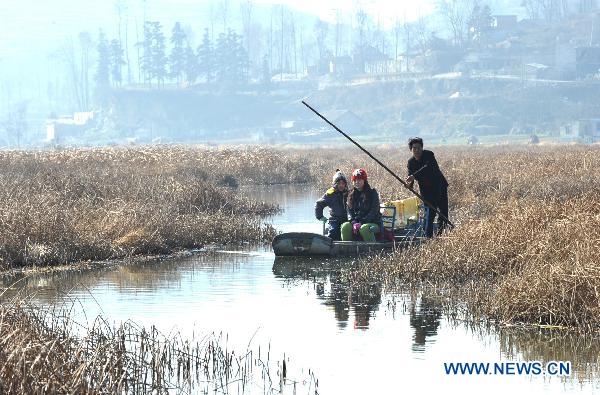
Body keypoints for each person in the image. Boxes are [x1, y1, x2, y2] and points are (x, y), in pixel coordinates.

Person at [405, 137, 449, 238]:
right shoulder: (411, 162)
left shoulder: (429, 155)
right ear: (411, 149)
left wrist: (414, 176)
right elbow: (410, 175)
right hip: (426, 191)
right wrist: (409, 185)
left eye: (419, 148)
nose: (417, 150)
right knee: (429, 213)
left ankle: (441, 234)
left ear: (422, 148)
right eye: (414, 148)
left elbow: (428, 168)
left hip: (439, 186)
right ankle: (428, 237)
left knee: (443, 212)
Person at [340, 168, 381, 242]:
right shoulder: (350, 194)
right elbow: (349, 211)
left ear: (364, 181)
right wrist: (353, 221)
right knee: (345, 226)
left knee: (364, 228)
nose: (356, 182)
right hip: (356, 222)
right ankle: (347, 249)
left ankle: (372, 250)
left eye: (359, 180)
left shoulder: (372, 193)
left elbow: (373, 211)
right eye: (354, 180)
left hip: (373, 223)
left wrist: (362, 222)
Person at [314, 169, 349, 240]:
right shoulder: (330, 194)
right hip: (334, 220)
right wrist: (320, 216)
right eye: (339, 183)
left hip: (347, 220)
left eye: (343, 183)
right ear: (335, 184)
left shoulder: (349, 193)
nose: (341, 185)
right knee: (333, 232)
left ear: (345, 184)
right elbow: (319, 204)